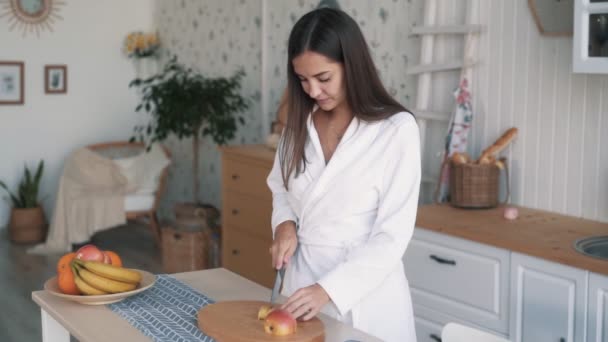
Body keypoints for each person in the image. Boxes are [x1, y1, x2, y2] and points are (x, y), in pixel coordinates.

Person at [266, 7, 421, 342]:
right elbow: (280, 187)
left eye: (323, 79)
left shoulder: (395, 130)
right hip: (300, 284)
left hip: (366, 297)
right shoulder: (298, 126)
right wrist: (284, 225)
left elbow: (392, 235)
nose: (312, 91)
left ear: (352, 67)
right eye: (302, 79)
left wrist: (328, 290)